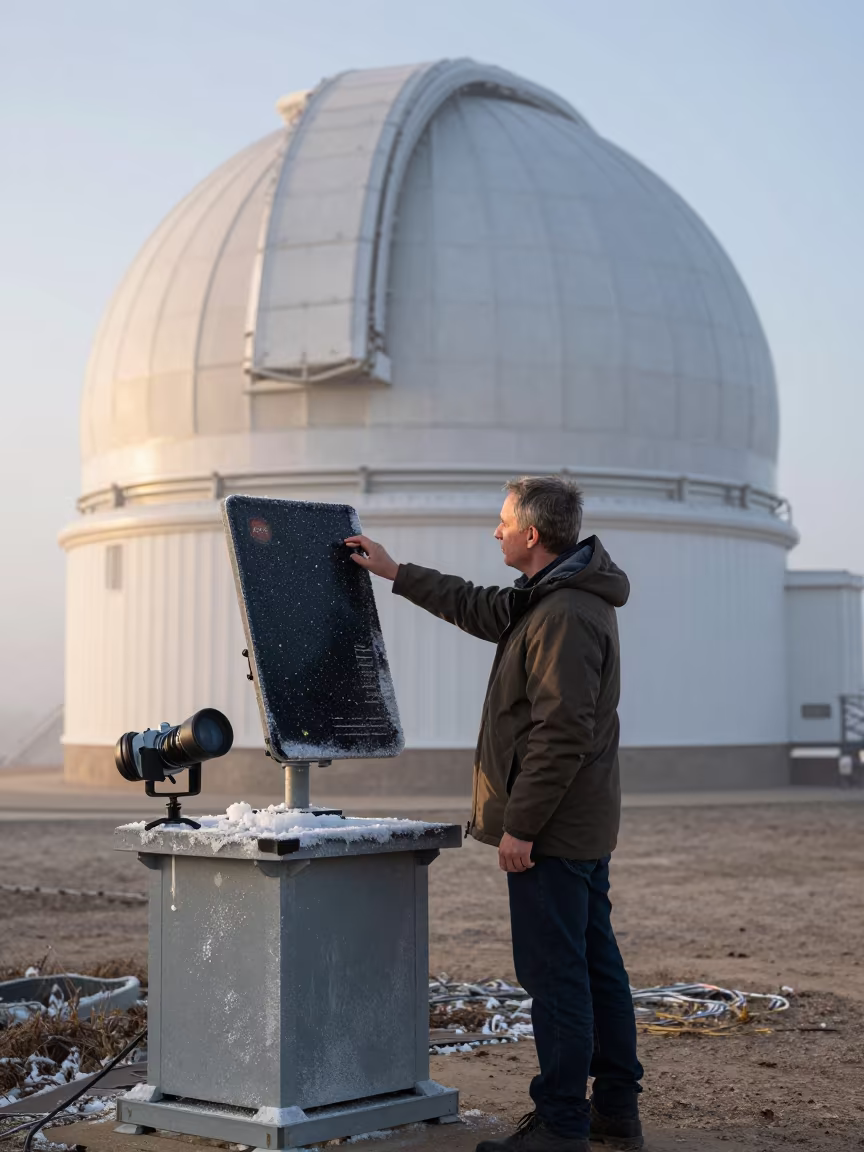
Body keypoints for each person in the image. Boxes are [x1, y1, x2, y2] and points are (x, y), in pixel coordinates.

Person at [346, 475, 644, 1152]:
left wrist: (523, 826)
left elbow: (561, 731)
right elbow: (480, 607)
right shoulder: (552, 598)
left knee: (556, 974)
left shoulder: (564, 614)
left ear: (532, 536)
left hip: (555, 830)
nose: (495, 531)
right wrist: (395, 572)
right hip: (578, 823)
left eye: (503, 522)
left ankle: (563, 1124)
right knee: (594, 963)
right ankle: (615, 1110)